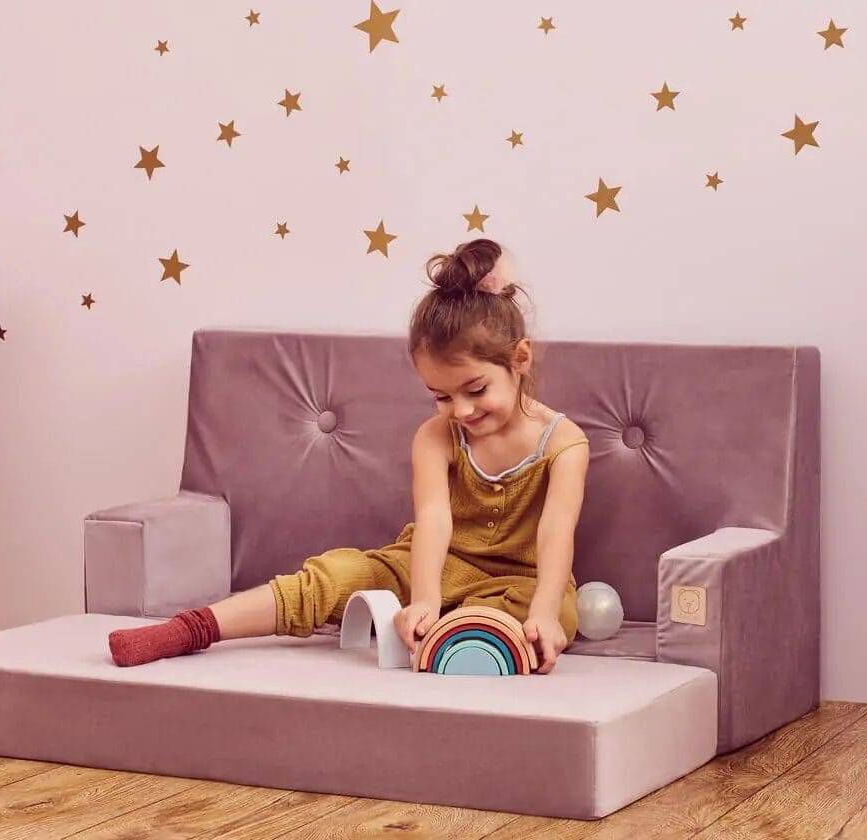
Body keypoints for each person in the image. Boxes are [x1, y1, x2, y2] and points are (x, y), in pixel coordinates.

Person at [107, 238, 590, 673]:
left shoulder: (563, 443)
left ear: (520, 359)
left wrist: (545, 612)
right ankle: (192, 629)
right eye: (441, 396)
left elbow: (555, 533)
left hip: (520, 581)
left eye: (476, 390)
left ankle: (464, 634)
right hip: (433, 564)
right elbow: (434, 520)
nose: (460, 410)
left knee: (551, 615)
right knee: (337, 574)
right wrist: (425, 598)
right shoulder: (436, 436)